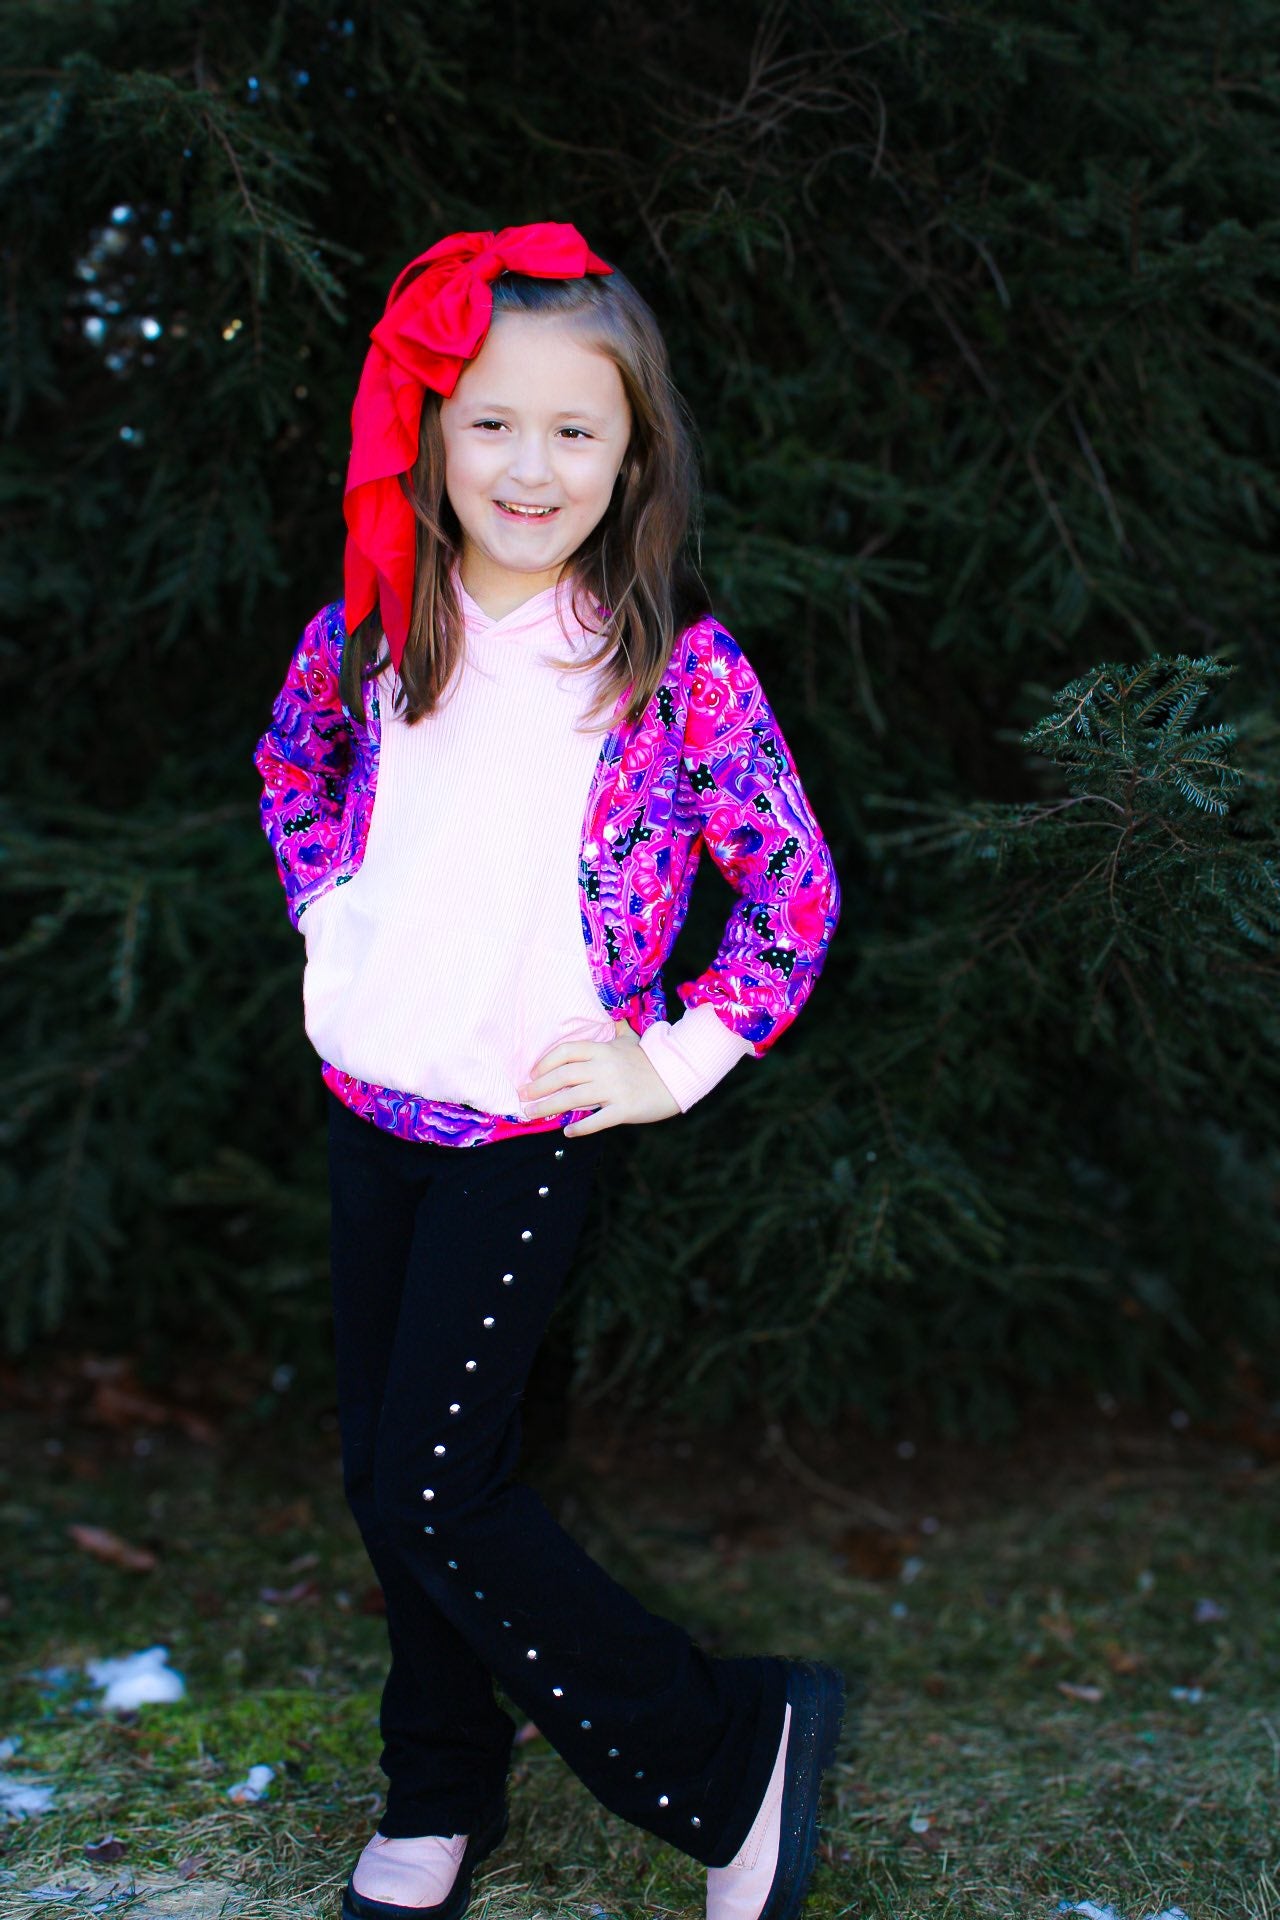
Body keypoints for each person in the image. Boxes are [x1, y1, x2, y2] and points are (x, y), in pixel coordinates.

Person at [252, 221, 844, 1920]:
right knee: (388, 1482)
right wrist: (336, 913)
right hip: (374, 1108)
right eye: (492, 422)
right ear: (432, 433)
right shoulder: (378, 629)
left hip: (528, 1128)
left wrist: (677, 1056)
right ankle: (439, 1787)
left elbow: (793, 889)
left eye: (574, 429)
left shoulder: (670, 671)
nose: (529, 466)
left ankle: (728, 1745)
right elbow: (293, 769)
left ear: (633, 452)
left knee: (444, 1484)